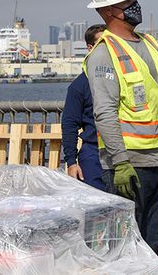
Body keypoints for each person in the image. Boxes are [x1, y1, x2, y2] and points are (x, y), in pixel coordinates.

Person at [83, 0, 158, 253]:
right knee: (124, 247)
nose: (135, 5)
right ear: (108, 10)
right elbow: (105, 113)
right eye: (127, 1)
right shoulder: (104, 54)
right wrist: (119, 163)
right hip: (129, 166)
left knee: (150, 243)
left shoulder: (150, 44)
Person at [61, 23, 107, 190]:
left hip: (124, 154)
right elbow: (69, 125)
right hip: (93, 154)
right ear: (90, 48)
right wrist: (72, 162)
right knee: (97, 211)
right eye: (102, 44)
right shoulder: (79, 85)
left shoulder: (123, 79)